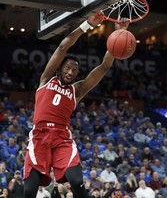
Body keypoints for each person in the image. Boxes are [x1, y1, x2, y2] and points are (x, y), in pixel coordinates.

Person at [23, 12, 130, 198]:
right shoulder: (46, 80)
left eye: (75, 69)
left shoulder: (77, 91)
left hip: (62, 138)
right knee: (30, 190)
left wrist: (118, 35)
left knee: (77, 182)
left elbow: (104, 66)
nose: (71, 71)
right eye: (68, 67)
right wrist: (87, 25)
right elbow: (63, 46)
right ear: (60, 68)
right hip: (40, 136)